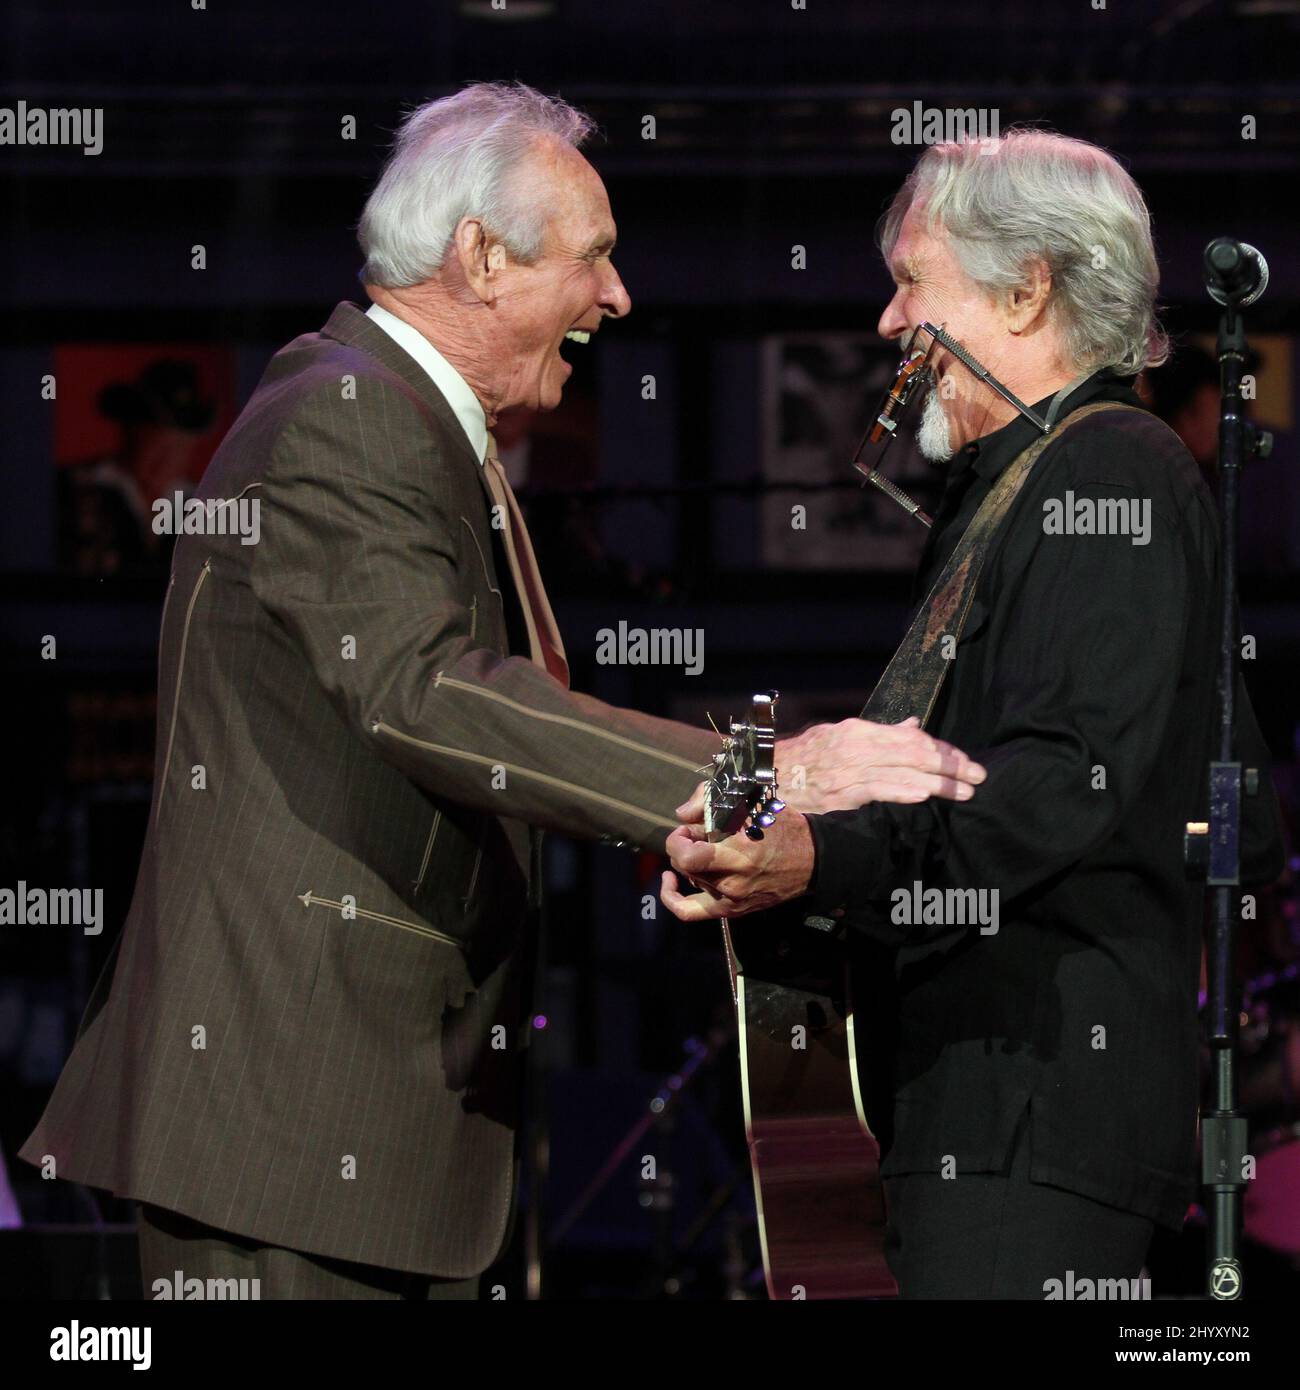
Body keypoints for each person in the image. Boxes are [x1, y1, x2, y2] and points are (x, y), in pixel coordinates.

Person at [20, 82, 985, 1301]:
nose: (619, 295)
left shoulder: (407, 419)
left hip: (344, 1135)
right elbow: (427, 694)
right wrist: (762, 775)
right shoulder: (347, 417)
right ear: (479, 256)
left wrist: (692, 824)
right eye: (595, 257)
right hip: (289, 1129)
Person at [662, 128, 1282, 1299]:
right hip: (991, 1117)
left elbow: (1053, 788)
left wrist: (817, 859)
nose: (890, 322)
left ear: (1025, 285)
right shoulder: (1019, 485)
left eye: (911, 281)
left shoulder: (1112, 472)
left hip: (1032, 1124)